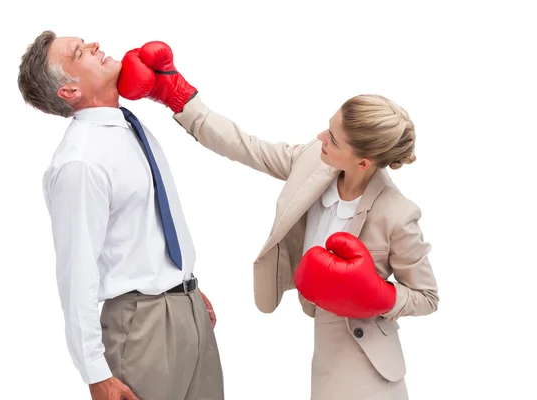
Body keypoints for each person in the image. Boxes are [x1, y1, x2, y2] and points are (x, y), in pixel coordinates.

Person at [118, 41, 439, 400]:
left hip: (369, 358)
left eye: (332, 138)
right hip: (325, 345)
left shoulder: (398, 213)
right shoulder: (315, 162)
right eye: (327, 127)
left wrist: (379, 295)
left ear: (362, 162)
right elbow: (246, 146)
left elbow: (427, 297)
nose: (320, 138)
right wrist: (177, 96)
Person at [17, 32, 223, 400]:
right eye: (80, 52)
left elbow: (145, 225)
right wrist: (95, 372)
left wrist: (183, 286)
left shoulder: (125, 127)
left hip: (186, 310)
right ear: (69, 91)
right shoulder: (79, 161)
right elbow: (76, 271)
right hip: (140, 328)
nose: (94, 45)